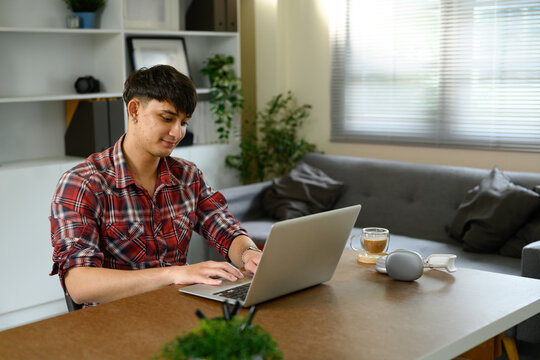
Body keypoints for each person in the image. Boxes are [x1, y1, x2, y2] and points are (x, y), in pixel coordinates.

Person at [49, 65, 261, 306]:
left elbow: (225, 230)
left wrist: (249, 254)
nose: (177, 132)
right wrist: (172, 274)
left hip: (177, 310)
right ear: (135, 110)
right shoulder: (83, 183)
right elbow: (80, 285)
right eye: (167, 118)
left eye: (184, 122)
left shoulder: (187, 176)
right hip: (114, 323)